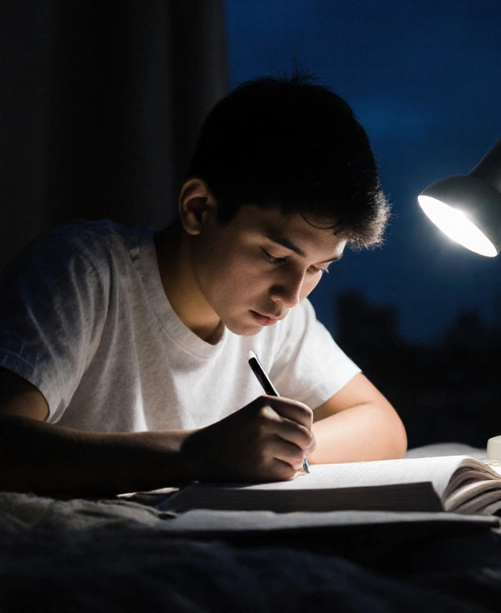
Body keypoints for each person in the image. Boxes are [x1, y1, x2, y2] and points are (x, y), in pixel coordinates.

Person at [0, 72, 409, 495]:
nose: (290, 295)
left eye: (318, 268)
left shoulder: (281, 318)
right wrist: (196, 455)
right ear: (198, 209)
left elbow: (383, 425)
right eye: (274, 256)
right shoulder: (84, 272)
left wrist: (279, 450)